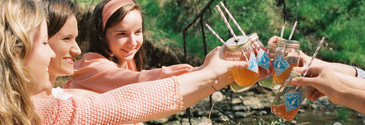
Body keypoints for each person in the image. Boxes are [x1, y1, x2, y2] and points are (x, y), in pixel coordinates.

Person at [0, 0, 248, 124]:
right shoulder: (46, 110)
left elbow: (128, 99)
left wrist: (218, 75)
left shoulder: (55, 101)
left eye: (138, 32)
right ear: (14, 52)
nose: (72, 49)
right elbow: (130, 97)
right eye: (46, 42)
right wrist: (207, 72)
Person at [64, 0, 198, 93]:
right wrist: (199, 71)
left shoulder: (126, 60)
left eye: (138, 32)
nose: (133, 42)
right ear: (101, 34)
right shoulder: (92, 67)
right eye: (122, 34)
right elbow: (139, 82)